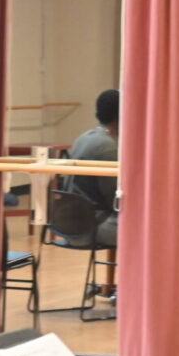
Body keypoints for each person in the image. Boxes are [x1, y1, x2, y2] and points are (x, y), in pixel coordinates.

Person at [65, 88, 119, 247]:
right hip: (90, 229)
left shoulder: (84, 137)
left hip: (69, 225)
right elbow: (115, 201)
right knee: (150, 226)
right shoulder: (107, 146)